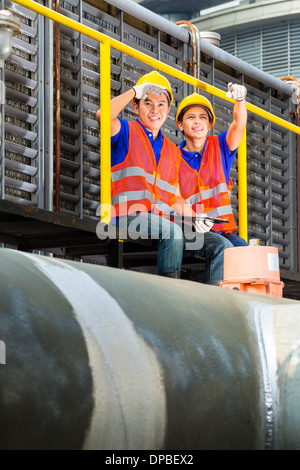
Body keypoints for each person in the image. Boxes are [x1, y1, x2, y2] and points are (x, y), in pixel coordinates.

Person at [96, 70, 214, 279]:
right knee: (172, 232)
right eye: (147, 103)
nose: (154, 110)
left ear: (168, 109)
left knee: (219, 245)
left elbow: (175, 197)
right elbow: (101, 115)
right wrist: (134, 91)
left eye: (161, 104)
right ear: (135, 106)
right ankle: (171, 297)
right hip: (125, 217)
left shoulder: (171, 150)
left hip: (162, 220)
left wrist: (195, 217)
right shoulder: (125, 131)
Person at [175, 83, 248, 284]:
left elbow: (238, 125)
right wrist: (194, 217)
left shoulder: (220, 147)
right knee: (222, 248)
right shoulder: (171, 156)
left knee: (245, 251)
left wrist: (240, 101)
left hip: (219, 230)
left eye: (202, 118)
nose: (197, 122)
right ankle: (215, 302)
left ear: (209, 125)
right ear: (180, 125)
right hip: (187, 229)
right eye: (191, 117)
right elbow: (174, 196)